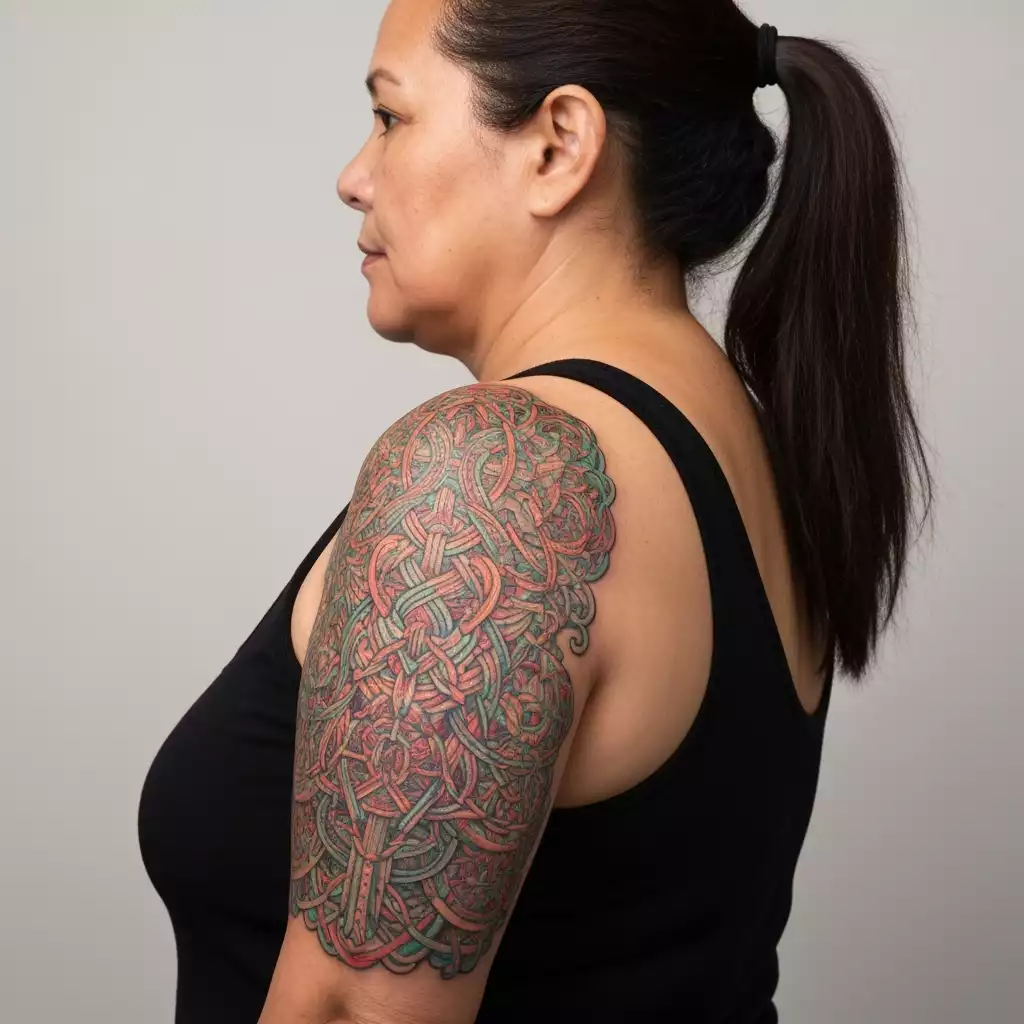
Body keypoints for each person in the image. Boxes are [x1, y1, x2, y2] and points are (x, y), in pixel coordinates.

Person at [138, 1, 931, 1021]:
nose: (353, 176)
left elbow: (350, 1011)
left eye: (390, 117)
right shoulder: (741, 441)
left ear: (558, 145)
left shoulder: (489, 475)